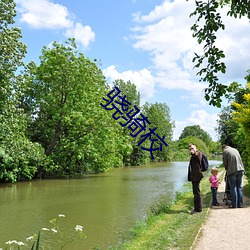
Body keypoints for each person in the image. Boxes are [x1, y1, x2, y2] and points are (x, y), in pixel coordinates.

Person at [188, 143, 204, 214]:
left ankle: (198, 209)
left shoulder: (198, 154)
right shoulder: (194, 155)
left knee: (196, 192)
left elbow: (198, 158)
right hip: (195, 176)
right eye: (190, 149)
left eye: (192, 148)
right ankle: (197, 208)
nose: (191, 150)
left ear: (195, 148)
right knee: (196, 192)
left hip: (196, 176)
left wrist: (194, 152)